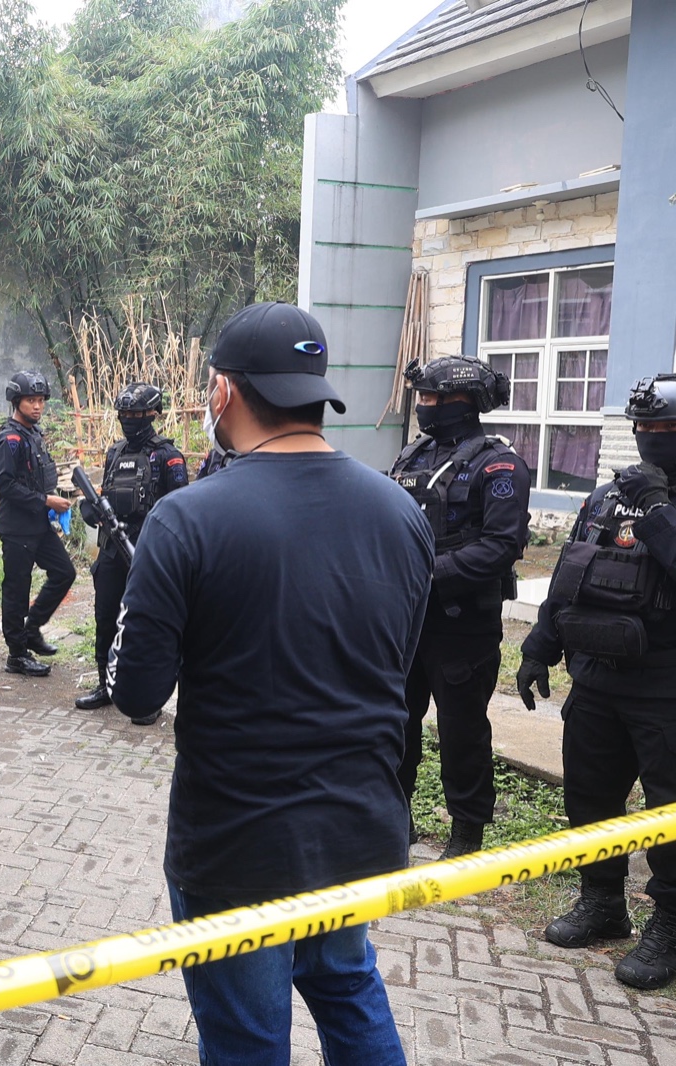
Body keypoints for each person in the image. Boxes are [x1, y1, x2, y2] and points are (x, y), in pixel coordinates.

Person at [109, 302, 431, 1063]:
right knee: (350, 991)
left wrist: (152, 605)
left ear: (224, 392)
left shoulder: (187, 519)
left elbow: (135, 693)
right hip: (357, 826)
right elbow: (399, 661)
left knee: (250, 1037)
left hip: (239, 842)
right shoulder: (401, 510)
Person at [518, 373, 676, 990]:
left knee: (664, 815)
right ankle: (604, 902)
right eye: (642, 429)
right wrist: (537, 648)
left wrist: (661, 511)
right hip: (597, 682)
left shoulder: (653, 498)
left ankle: (669, 923)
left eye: (664, 430)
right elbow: (569, 574)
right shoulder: (609, 496)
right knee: (590, 800)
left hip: (666, 690)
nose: (650, 440)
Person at [390, 356, 531, 858]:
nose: (423, 407)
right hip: (406, 623)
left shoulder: (499, 463)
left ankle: (467, 832)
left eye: (430, 398)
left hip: (461, 624)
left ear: (461, 402)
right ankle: (395, 818)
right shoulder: (413, 456)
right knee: (396, 721)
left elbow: (500, 546)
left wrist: (426, 578)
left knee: (462, 730)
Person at [74, 383, 187, 713]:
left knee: (146, 626)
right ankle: (104, 686)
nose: (130, 419)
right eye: (125, 414)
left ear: (153, 414)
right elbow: (104, 495)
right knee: (106, 620)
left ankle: (147, 699)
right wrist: (93, 509)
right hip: (111, 552)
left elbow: (179, 510)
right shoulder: (115, 453)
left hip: (147, 553)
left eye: (137, 414)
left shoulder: (168, 456)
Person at [0, 370, 75, 677]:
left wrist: (49, 506)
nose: (38, 406)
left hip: (38, 524)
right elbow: (7, 486)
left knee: (65, 572)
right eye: (31, 400)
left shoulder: (33, 434)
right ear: (17, 401)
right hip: (17, 528)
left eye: (40, 400)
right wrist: (46, 501)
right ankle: (17, 654)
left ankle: (32, 628)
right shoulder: (9, 439)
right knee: (17, 587)